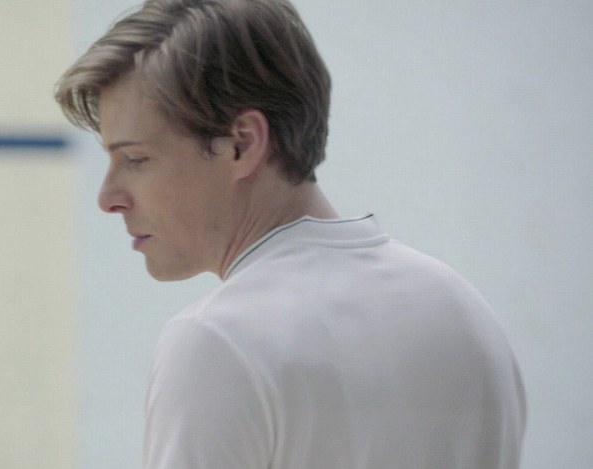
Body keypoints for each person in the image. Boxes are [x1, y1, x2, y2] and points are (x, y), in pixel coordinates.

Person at [55, 0, 527, 467]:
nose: (108, 197)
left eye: (136, 159)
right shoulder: (461, 308)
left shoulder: (215, 342)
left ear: (242, 144)